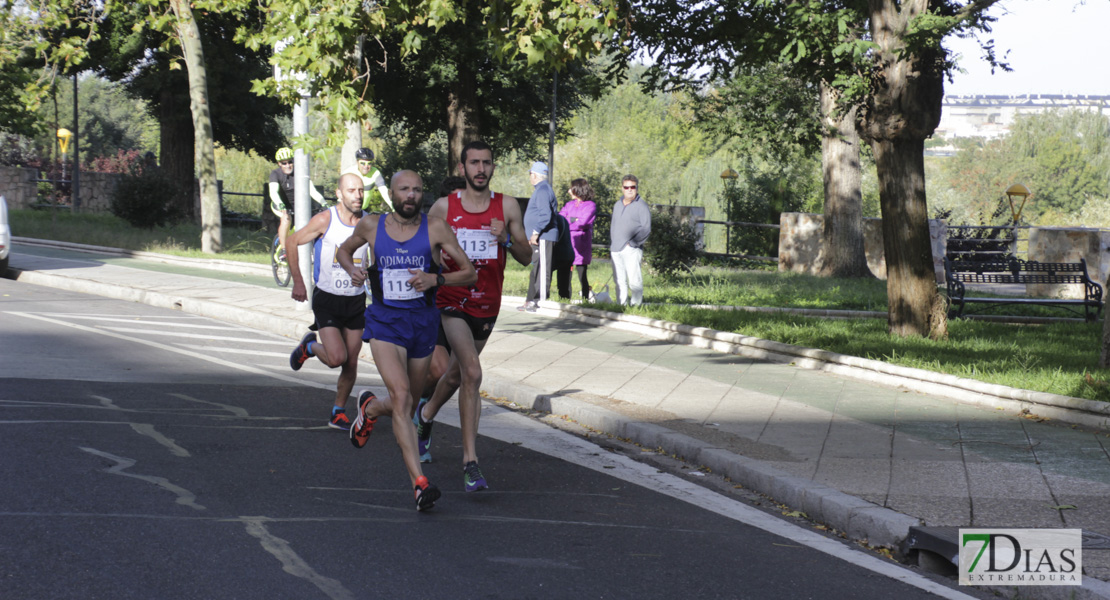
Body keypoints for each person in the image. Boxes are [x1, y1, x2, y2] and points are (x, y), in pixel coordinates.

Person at [336, 169, 477, 511]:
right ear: (393, 194)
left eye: (416, 190)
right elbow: (343, 251)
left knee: (407, 404)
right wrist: (351, 268)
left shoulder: (436, 228)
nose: (411, 195)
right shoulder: (371, 225)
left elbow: (469, 272)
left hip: (422, 323)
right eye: (404, 189)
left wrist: (436, 278)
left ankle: (369, 408)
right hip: (384, 322)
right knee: (400, 396)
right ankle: (419, 483)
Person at [414, 141, 531, 492]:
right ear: (463, 168)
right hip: (452, 300)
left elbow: (527, 257)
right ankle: (471, 463)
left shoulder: (506, 206)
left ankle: (425, 415)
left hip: (487, 304)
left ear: (493, 168)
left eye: (486, 163)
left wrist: (507, 238)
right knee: (473, 372)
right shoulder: (443, 207)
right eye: (474, 163)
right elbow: (424, 252)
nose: (480, 169)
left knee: (454, 376)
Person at [286, 173, 369, 430]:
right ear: (339, 194)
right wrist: (298, 281)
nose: (358, 195)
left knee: (352, 361)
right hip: (327, 299)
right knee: (336, 358)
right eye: (352, 190)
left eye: (361, 190)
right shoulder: (325, 219)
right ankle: (309, 347)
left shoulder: (369, 223)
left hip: (355, 301)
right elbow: (292, 241)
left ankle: (338, 412)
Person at [269, 147, 327, 259]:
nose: (288, 165)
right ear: (279, 164)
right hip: (280, 205)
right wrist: (280, 204)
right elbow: (273, 192)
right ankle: (283, 249)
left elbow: (312, 190)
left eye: (290, 162)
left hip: (298, 206)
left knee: (312, 224)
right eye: (284, 163)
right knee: (286, 219)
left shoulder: (300, 173)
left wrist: (323, 203)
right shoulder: (275, 174)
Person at [519, 162, 559, 312]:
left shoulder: (542, 190)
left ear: (534, 175)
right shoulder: (541, 189)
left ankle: (538, 302)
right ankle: (530, 300)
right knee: (536, 267)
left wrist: (535, 232)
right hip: (540, 236)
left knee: (542, 268)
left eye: (530, 174)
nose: (530, 177)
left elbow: (545, 215)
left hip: (543, 236)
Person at [610, 174, 652, 306]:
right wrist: (613, 243)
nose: (629, 189)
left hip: (631, 249)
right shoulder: (617, 204)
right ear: (622, 188)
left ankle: (636, 305)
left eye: (632, 187)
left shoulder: (642, 206)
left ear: (636, 188)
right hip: (616, 248)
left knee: (634, 280)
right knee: (619, 280)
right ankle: (620, 305)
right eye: (626, 187)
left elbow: (646, 228)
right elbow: (614, 225)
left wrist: (633, 243)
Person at [556, 178, 597, 300]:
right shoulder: (569, 205)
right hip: (568, 243)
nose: (569, 191)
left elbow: (583, 223)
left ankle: (585, 298)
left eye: (571, 188)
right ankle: (564, 298)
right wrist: (575, 219)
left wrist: (571, 219)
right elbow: (561, 219)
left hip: (581, 244)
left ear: (577, 189)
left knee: (582, 274)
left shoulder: (591, 205)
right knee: (565, 273)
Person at [342, 147, 391, 214]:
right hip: (347, 210)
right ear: (357, 162)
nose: (366, 166)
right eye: (362, 163)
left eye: (369, 163)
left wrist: (395, 208)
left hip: (363, 210)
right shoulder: (348, 173)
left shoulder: (375, 172)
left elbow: (384, 192)